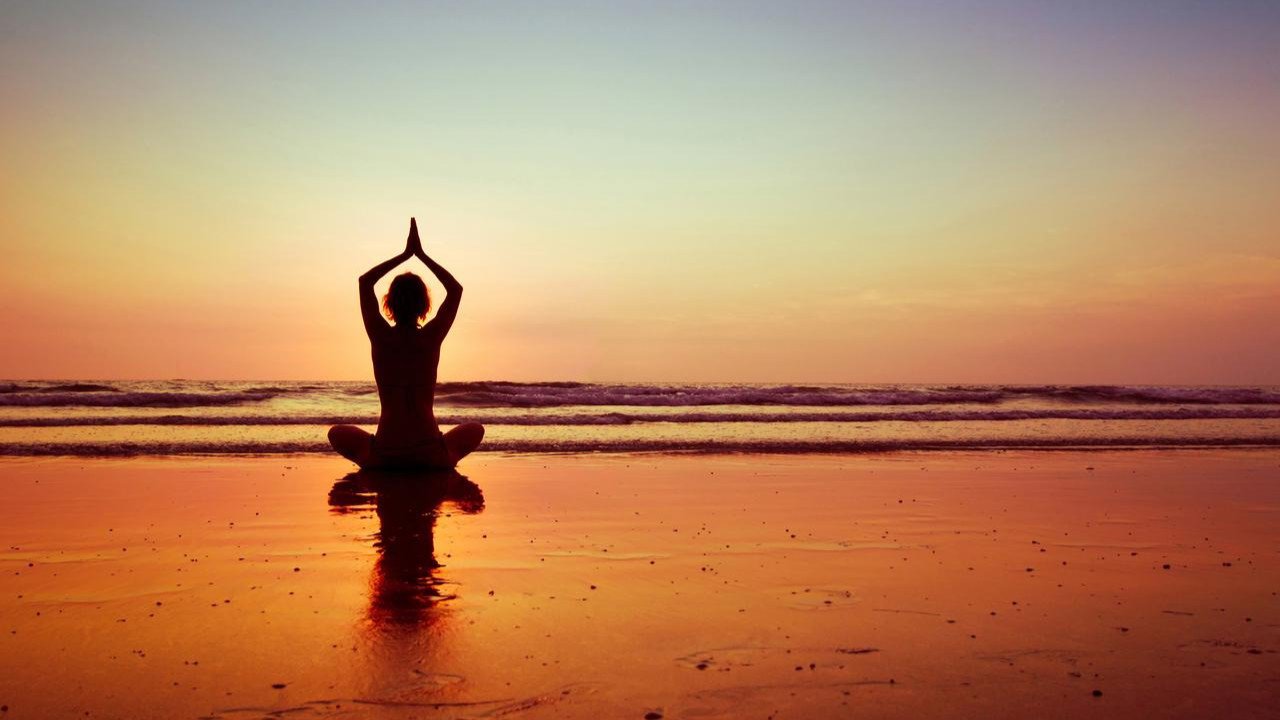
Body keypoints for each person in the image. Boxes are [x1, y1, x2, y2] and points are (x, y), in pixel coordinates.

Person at [328, 218, 484, 469]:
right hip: (430, 454)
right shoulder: (430, 338)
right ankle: (444, 455)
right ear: (424, 306)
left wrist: (404, 255)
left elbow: (365, 282)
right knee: (475, 429)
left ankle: (374, 457)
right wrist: (420, 255)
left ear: (388, 304)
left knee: (336, 432)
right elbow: (455, 289)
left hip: (384, 455)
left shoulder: (380, 336)